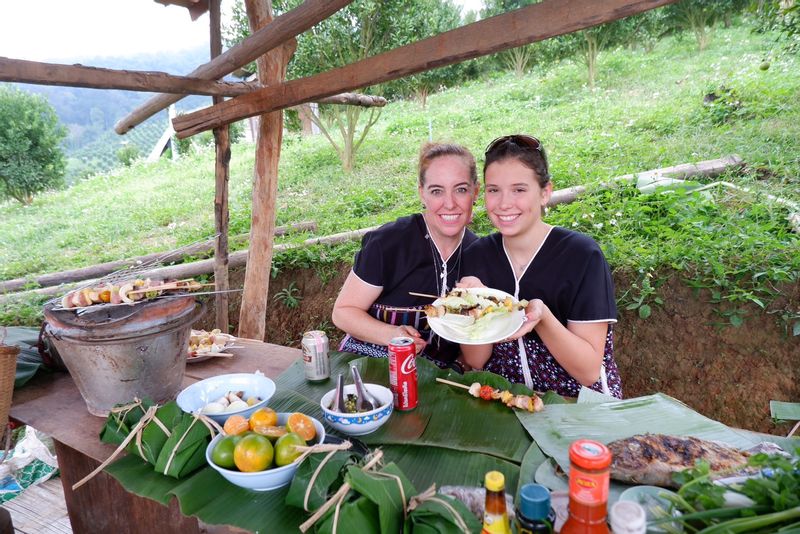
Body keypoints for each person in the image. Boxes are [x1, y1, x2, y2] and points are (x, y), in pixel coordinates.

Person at [459, 134, 622, 397]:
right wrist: (477, 304)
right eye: (494, 190)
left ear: (545, 193)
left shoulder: (581, 255)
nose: (503, 204)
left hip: (579, 401)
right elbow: (476, 362)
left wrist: (542, 318)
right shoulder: (477, 255)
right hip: (508, 402)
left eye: (519, 190)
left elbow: (588, 371)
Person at [332, 142, 480, 366]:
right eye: (436, 191)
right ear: (422, 193)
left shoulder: (478, 254)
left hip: (439, 381)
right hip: (371, 365)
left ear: (475, 191)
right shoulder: (388, 244)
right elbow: (343, 312)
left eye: (460, 189)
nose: (449, 204)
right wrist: (392, 335)